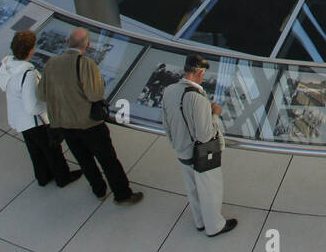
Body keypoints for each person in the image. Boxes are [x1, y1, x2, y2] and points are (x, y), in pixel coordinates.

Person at [42, 27, 144, 205]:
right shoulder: (86, 64)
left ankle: (98, 189)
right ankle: (122, 194)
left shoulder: (52, 63)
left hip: (65, 125)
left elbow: (42, 94)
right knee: (108, 159)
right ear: (87, 46)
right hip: (89, 125)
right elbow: (94, 95)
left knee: (84, 159)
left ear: (67, 43)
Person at [160, 53, 237, 237]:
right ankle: (214, 226)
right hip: (200, 154)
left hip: (181, 151)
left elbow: (166, 123)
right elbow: (205, 134)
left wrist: (177, 145)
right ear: (200, 73)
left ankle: (200, 221)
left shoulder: (169, 90)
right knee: (210, 190)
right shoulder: (199, 99)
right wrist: (215, 114)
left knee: (192, 189)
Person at [0, 30, 81, 188]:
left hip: (18, 118)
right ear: (30, 50)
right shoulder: (27, 74)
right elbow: (32, 105)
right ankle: (62, 177)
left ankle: (42, 176)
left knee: (34, 149)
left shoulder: (6, 65)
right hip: (34, 121)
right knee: (52, 150)